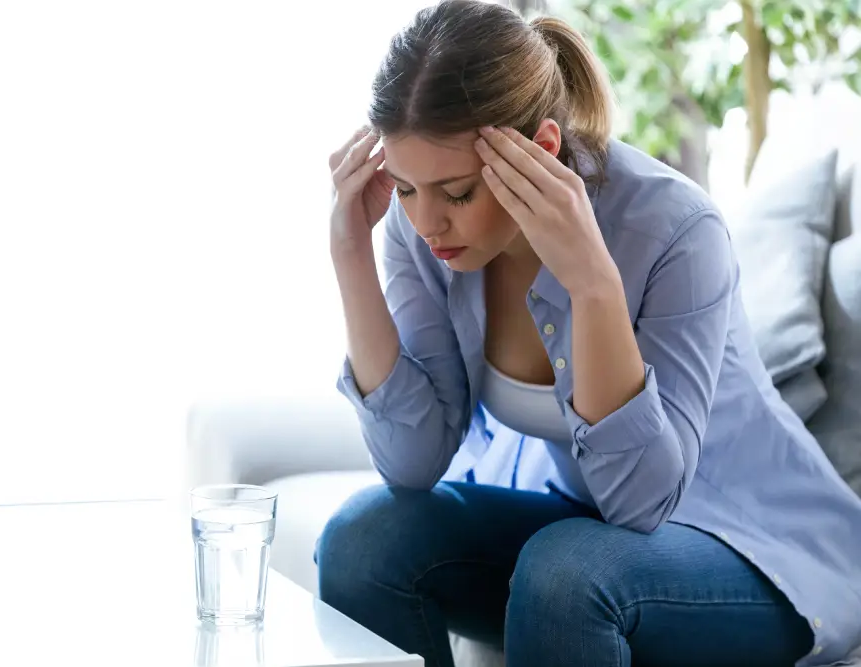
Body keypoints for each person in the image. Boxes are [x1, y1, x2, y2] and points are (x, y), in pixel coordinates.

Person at [316, 1, 861, 666]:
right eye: (404, 188)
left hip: (754, 547)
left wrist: (593, 283)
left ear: (541, 149)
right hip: (593, 536)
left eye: (456, 193)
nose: (428, 222)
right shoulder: (423, 234)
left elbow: (641, 501)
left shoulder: (675, 230)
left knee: (566, 569)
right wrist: (349, 249)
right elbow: (411, 461)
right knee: (362, 538)